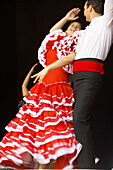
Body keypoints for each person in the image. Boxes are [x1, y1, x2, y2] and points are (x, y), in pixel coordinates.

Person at [32, 0, 113, 168]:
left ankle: (86, 166)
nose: (83, 13)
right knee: (80, 120)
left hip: (91, 74)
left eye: (84, 9)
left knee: (79, 118)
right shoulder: (84, 33)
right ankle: (85, 164)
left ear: (90, 7)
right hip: (79, 77)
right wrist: (48, 69)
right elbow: (69, 56)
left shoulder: (106, 22)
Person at [0, 8, 82, 170]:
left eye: (78, 27)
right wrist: (66, 18)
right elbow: (52, 31)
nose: (74, 28)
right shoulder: (55, 40)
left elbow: (70, 61)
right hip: (43, 88)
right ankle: (37, 165)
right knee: (38, 127)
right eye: (72, 26)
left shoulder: (75, 44)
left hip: (59, 88)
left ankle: (48, 166)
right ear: (66, 28)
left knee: (53, 129)